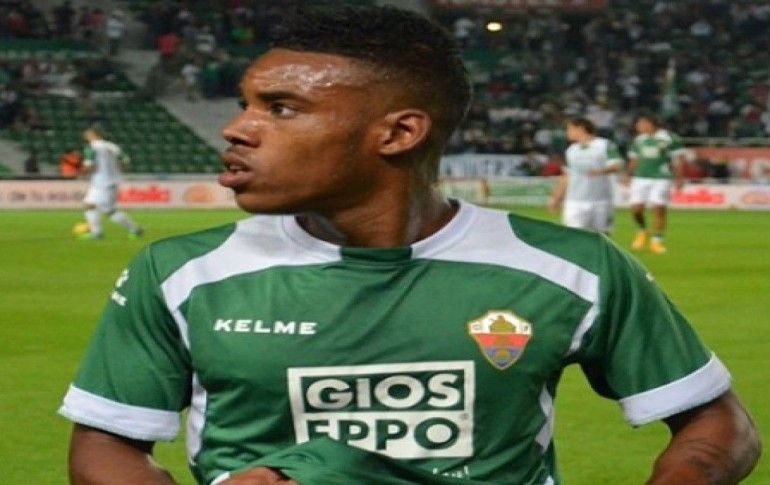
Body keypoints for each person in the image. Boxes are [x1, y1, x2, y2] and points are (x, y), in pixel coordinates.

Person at [59, 6, 760, 485]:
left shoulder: (572, 267)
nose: (238, 128)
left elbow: (716, 422)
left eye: (281, 108)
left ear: (398, 133)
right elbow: (105, 442)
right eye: (247, 103)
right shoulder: (181, 272)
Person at [548, 117, 623, 234]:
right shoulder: (571, 150)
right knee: (573, 235)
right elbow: (567, 176)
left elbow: (617, 166)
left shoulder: (604, 145)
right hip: (575, 200)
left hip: (601, 200)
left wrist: (599, 171)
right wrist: (556, 198)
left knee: (602, 236)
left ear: (581, 128)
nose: (567, 133)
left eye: (570, 129)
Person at [625, 113, 687, 254]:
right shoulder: (639, 140)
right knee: (636, 208)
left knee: (659, 208)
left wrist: (679, 177)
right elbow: (635, 159)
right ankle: (642, 230)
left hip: (661, 177)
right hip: (641, 177)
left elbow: (678, 159)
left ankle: (656, 241)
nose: (638, 127)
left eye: (640, 124)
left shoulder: (670, 138)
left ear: (650, 123)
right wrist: (628, 173)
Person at [77, 128, 143, 240]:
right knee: (109, 210)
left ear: (93, 135)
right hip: (113, 180)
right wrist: (119, 170)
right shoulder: (111, 146)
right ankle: (135, 229)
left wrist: (82, 174)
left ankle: (96, 233)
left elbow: (89, 165)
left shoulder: (92, 148)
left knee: (89, 205)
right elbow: (126, 159)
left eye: (87, 135)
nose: (85, 137)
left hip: (101, 181)